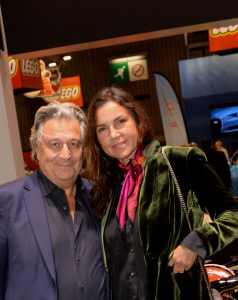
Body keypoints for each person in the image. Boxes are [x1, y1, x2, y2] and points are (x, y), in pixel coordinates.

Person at [85, 86, 238, 300]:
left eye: (121, 121)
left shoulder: (179, 161)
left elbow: (233, 214)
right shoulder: (104, 187)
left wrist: (196, 243)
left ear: (138, 121)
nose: (113, 134)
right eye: (102, 129)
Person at [0, 102, 108, 300]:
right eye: (55, 144)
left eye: (74, 144)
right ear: (37, 150)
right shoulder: (5, 202)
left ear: (84, 150)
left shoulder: (100, 195)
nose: (66, 154)